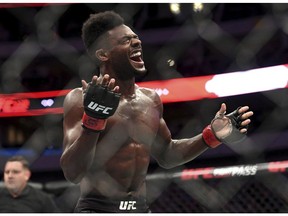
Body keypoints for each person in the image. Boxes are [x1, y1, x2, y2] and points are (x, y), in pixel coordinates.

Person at [60, 11, 254, 213]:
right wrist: (93, 119)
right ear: (103, 54)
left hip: (141, 209)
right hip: (98, 209)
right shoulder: (80, 99)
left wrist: (210, 136)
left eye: (136, 38)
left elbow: (167, 154)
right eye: (126, 40)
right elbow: (72, 173)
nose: (137, 43)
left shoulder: (150, 100)